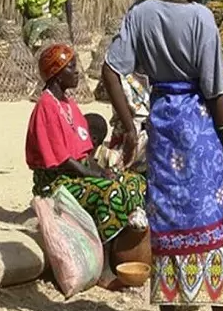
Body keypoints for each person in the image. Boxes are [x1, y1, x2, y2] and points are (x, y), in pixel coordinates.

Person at [100, 0, 223, 311]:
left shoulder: (140, 14)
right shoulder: (201, 19)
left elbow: (111, 70)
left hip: (163, 126)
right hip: (199, 131)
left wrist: (129, 124)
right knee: (210, 227)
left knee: (166, 229)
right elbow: (215, 92)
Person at [26, 43, 147, 255]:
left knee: (134, 181)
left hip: (77, 173)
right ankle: (104, 253)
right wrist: (97, 176)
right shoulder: (47, 106)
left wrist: (103, 171)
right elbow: (64, 160)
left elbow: (84, 153)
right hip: (57, 182)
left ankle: (126, 243)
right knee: (111, 192)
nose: (77, 72)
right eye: (71, 67)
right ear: (56, 74)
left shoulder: (68, 104)